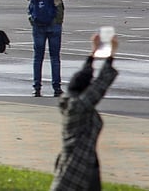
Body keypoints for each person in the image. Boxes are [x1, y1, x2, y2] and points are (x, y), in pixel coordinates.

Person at [49, 35, 119, 191]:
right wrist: (111, 55)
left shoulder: (71, 101)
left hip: (87, 165)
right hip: (76, 169)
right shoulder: (76, 107)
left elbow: (84, 77)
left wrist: (93, 53)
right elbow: (100, 85)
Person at [22, 0, 73, 97]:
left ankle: (37, 87)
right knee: (55, 57)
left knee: (38, 57)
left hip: (37, 22)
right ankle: (56, 88)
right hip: (54, 22)